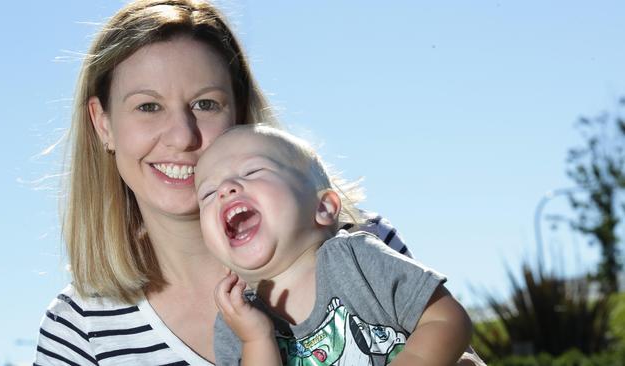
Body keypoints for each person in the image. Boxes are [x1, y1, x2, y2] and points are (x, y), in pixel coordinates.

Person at [34, 0, 485, 364]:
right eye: (148, 107)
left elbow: (449, 338)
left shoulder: (359, 244)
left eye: (206, 104)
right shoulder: (79, 331)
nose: (183, 137)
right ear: (103, 123)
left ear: (240, 113)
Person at [195, 125, 472, 365]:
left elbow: (447, 320)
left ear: (324, 207)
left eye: (252, 170)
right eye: (207, 193)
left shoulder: (356, 260)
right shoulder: (235, 324)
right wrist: (256, 339)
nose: (225, 188)